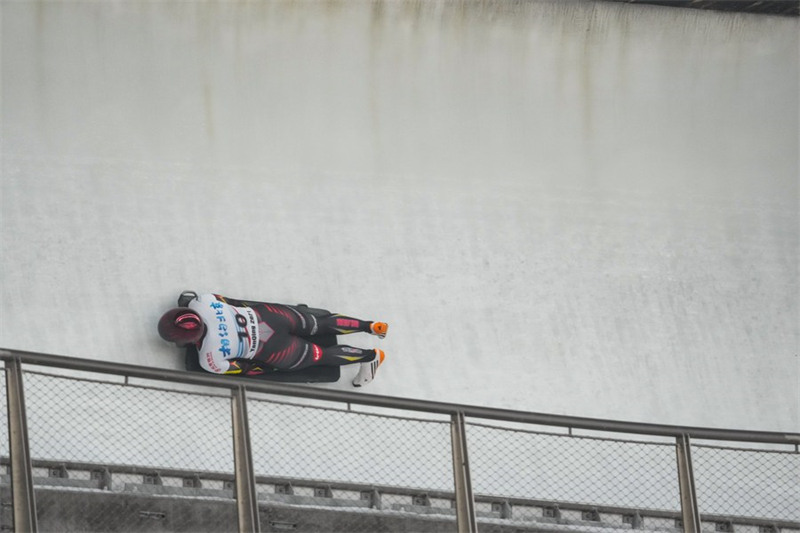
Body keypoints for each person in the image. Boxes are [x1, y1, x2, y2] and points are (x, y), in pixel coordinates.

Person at [157, 291, 388, 387]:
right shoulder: (202, 301)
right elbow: (228, 301)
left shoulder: (209, 358)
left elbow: (244, 369)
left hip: (277, 349)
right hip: (274, 317)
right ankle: (371, 326)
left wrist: (269, 367)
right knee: (322, 323)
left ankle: (370, 357)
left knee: (322, 356)